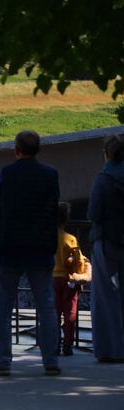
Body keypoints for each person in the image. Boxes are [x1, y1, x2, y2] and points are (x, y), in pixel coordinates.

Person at [0, 130, 61, 376]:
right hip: (40, 247)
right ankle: (51, 360)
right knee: (47, 306)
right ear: (38, 150)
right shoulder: (51, 174)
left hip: (10, 248)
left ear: (16, 150)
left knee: (4, 307)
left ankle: (3, 360)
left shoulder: (8, 173)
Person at [86, 133, 124, 363]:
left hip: (107, 241)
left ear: (106, 154)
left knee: (106, 298)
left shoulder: (104, 178)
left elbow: (93, 213)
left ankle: (110, 350)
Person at [53, 202, 90, 357]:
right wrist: (83, 270)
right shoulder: (70, 239)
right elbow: (77, 260)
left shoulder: (48, 237)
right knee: (70, 313)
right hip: (68, 279)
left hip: (52, 278)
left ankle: (54, 343)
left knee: (54, 312)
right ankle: (67, 344)